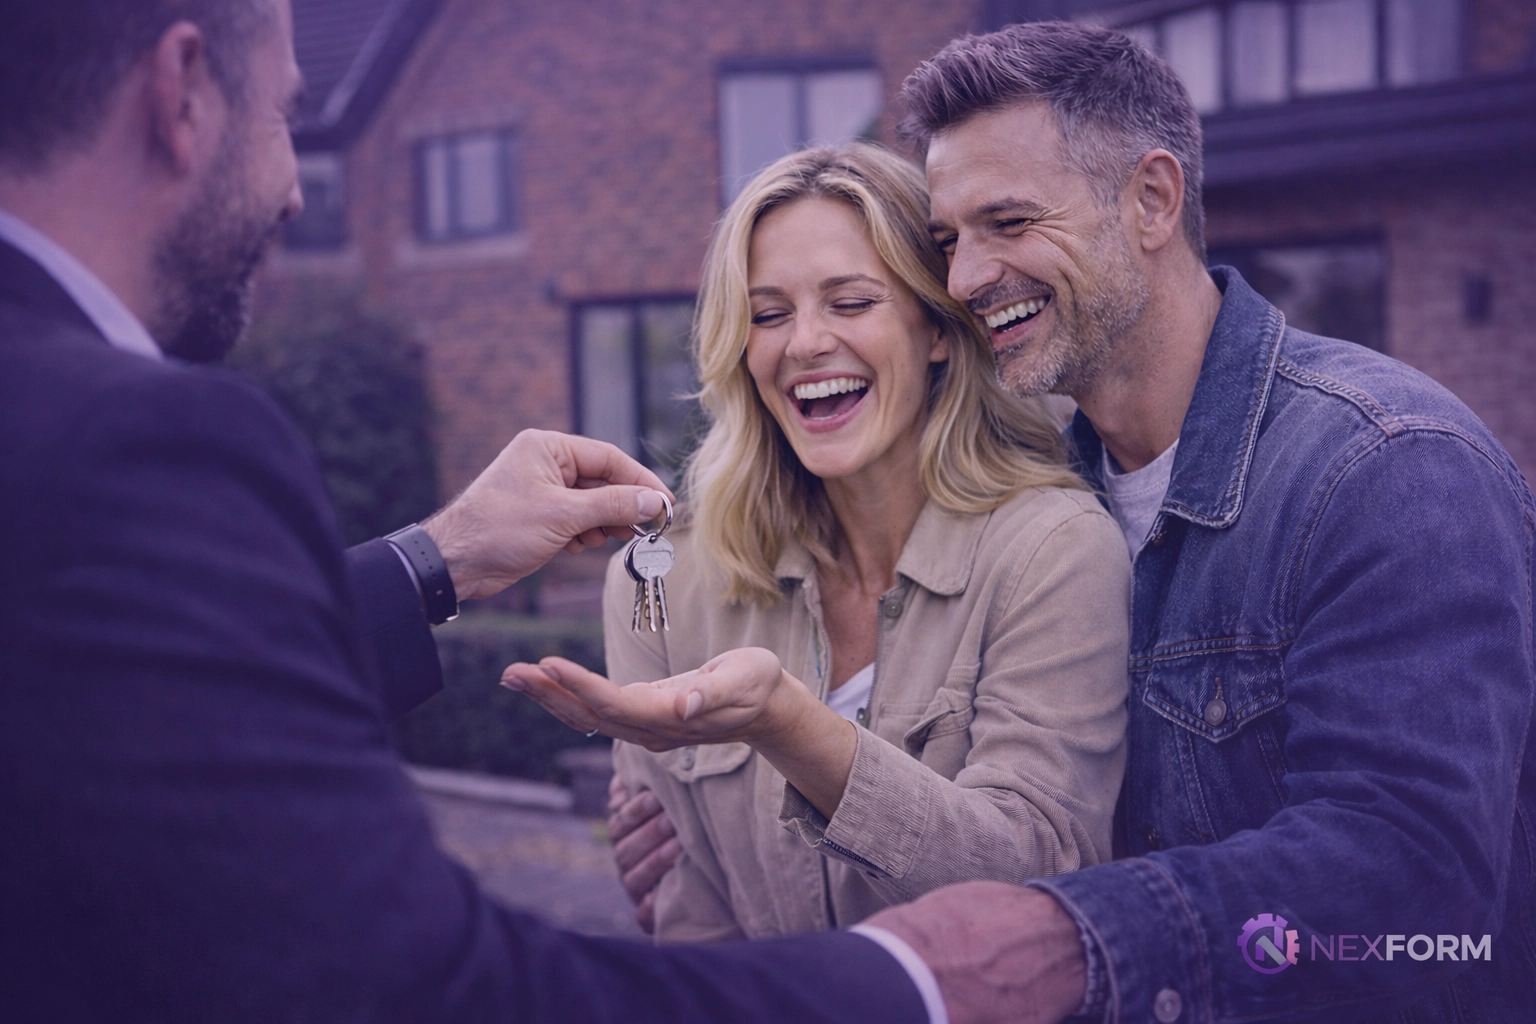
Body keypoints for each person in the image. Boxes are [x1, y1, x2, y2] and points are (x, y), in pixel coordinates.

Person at [0, 3, 943, 1021]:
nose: (294, 189)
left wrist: (436, 557)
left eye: (852, 301)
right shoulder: (134, 436)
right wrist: (920, 979)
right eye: (282, 118)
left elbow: (117, 679)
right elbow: (422, 979)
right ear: (181, 92)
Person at [599, 21, 1536, 1023]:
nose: (966, 279)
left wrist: (1070, 934)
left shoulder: (1386, 465)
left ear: (1153, 200)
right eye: (949, 244)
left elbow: (1415, 880)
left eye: (1008, 222)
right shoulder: (1053, 478)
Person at [503, 143, 1130, 942]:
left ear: (937, 331)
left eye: (851, 302)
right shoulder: (662, 580)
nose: (804, 343)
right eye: (768, 315)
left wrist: (790, 727)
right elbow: (690, 922)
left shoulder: (1053, 551)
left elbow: (1040, 876)